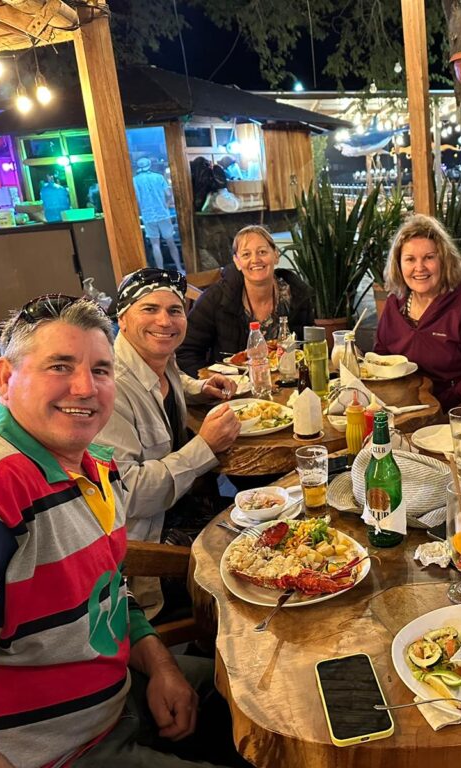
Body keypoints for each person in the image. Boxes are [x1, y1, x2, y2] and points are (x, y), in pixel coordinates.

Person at [0, 295, 233, 768]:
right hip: (60, 749)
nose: (85, 387)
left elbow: (106, 588)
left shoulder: (92, 469)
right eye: (60, 365)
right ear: (5, 377)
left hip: (121, 696)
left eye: (100, 370)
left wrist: (159, 663)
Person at [95, 268, 241, 619]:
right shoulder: (109, 391)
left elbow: (170, 374)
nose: (165, 320)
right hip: (151, 549)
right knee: (254, 551)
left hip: (184, 507)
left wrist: (197, 388)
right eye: (150, 309)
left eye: (175, 310)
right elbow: (126, 495)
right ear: (123, 318)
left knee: (266, 509)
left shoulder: (156, 358)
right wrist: (203, 447)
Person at [375, 214, 461, 409]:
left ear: (444, 260)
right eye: (410, 259)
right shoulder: (394, 302)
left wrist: (439, 404)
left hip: (449, 410)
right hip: (396, 406)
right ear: (398, 265)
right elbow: (381, 355)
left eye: (429, 258)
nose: (419, 268)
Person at [177, 225, 314, 376]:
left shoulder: (297, 294)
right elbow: (185, 352)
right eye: (246, 254)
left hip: (289, 384)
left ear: (276, 255)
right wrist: (209, 384)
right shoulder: (216, 298)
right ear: (236, 262)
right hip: (234, 391)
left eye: (262, 252)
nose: (255, 260)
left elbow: (311, 347)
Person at [134, 157, 184, 273]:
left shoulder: (135, 180)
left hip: (148, 215)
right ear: (149, 165)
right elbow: (168, 193)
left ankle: (161, 271)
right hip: (163, 213)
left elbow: (136, 198)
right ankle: (179, 268)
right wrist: (166, 204)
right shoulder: (159, 177)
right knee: (171, 242)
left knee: (155, 245)